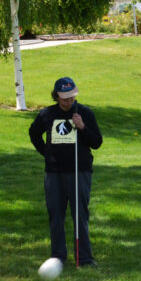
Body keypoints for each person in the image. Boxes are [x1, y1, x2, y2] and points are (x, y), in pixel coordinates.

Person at [28, 77, 103, 267]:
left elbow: (97, 142)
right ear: (56, 96)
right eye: (64, 98)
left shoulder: (84, 113)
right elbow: (33, 133)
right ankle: (58, 257)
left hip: (79, 171)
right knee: (55, 214)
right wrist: (46, 153)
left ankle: (85, 258)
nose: (68, 101)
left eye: (71, 97)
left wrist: (82, 127)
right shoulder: (47, 114)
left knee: (80, 215)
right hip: (54, 173)